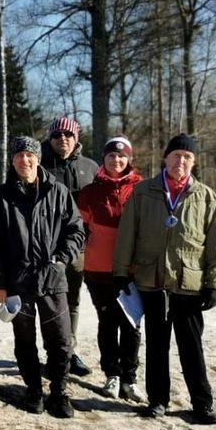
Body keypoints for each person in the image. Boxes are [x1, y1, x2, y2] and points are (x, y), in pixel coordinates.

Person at [113, 134, 216, 425]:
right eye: (176, 155)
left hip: (189, 285)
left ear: (194, 161)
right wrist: (121, 271)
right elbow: (127, 235)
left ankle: (202, 404)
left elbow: (215, 245)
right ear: (165, 158)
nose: (181, 161)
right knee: (157, 346)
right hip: (153, 281)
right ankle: (158, 401)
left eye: (187, 157)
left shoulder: (206, 196)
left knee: (192, 347)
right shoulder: (143, 192)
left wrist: (214, 283)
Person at [0, 136, 85, 419]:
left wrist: (63, 258)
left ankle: (60, 391)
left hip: (53, 278)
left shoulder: (59, 192)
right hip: (18, 281)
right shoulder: (0, 197)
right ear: (12, 160)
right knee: (24, 341)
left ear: (38, 159)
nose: (24, 161)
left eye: (29, 155)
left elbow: (76, 230)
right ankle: (34, 390)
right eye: (19, 156)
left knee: (61, 341)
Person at [76, 137, 145, 403]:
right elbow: (78, 230)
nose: (116, 160)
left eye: (122, 156)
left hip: (132, 271)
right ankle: (112, 374)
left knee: (131, 324)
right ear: (103, 159)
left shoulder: (141, 189)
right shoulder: (90, 192)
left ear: (129, 159)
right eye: (111, 156)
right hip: (98, 270)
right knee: (108, 323)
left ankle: (129, 377)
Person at [42, 116, 100, 377]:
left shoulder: (90, 167)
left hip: (79, 247)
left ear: (77, 139)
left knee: (72, 300)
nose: (62, 139)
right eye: (57, 136)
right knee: (48, 300)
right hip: (45, 248)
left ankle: (69, 351)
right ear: (50, 139)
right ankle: (52, 351)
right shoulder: (39, 165)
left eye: (68, 135)